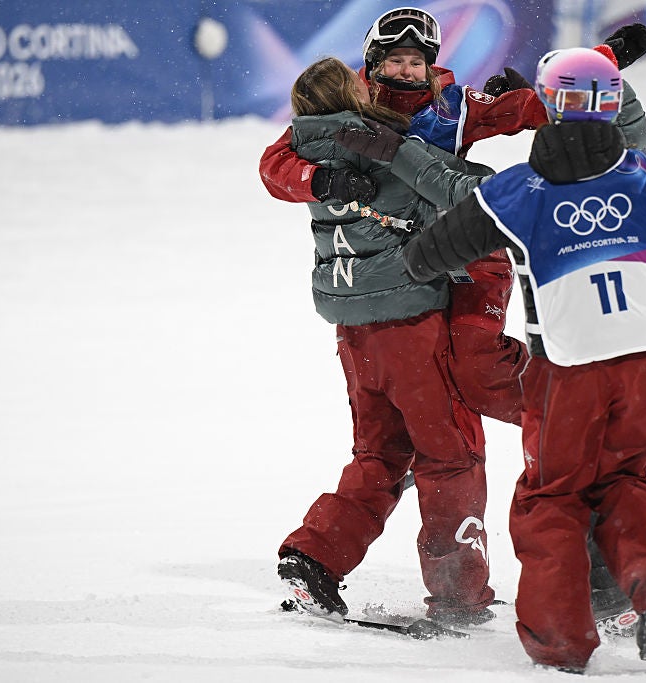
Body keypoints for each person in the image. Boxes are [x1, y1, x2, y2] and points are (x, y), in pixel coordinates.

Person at [343, 47, 646, 671]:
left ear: (548, 103)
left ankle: (561, 643)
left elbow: (425, 257)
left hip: (570, 373)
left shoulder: (514, 194)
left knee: (549, 499)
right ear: (613, 101)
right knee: (622, 479)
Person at [263, 6, 646, 633]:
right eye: (393, 61)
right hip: (406, 296)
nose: (406, 70)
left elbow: (532, 107)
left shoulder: (451, 105)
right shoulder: (352, 118)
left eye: (416, 61)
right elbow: (279, 163)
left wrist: (604, 61)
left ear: (434, 62)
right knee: (438, 445)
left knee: (467, 381)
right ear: (370, 66)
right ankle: (468, 571)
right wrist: (318, 178)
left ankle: (571, 429)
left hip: (467, 267)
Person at [275, 56, 503, 628]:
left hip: (355, 335)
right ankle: (458, 595)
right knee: (450, 456)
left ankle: (314, 557)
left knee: (379, 454)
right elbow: (461, 191)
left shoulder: (309, 148)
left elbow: (272, 166)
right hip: (412, 327)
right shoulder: (385, 142)